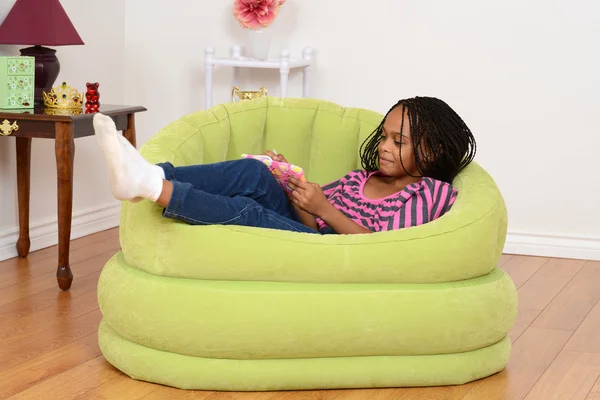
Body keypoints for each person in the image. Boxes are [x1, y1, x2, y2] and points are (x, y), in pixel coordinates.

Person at [93, 96, 476, 235]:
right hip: (312, 236)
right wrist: (295, 185)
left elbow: (383, 249)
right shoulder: (360, 179)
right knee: (257, 174)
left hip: (337, 255)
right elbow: (310, 222)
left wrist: (323, 207)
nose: (386, 148)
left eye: (401, 142)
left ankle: (152, 187)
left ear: (433, 149)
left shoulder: (428, 193)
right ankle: (155, 173)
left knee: (251, 212)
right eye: (385, 137)